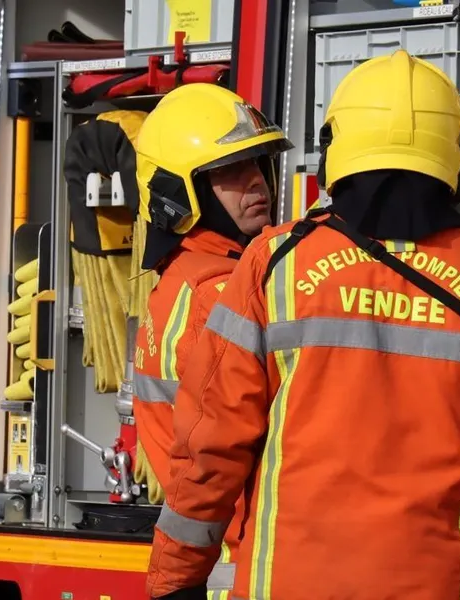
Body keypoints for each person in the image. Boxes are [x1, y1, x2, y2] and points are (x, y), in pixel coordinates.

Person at [146, 51, 460, 600]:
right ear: (456, 155)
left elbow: (210, 446)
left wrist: (174, 579)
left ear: (335, 149)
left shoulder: (272, 266)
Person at [131, 82, 292, 599]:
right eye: (229, 172)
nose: (256, 184)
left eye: (259, 164)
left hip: (218, 560)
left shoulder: (179, 278)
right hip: (250, 563)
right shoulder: (224, 291)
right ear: (179, 193)